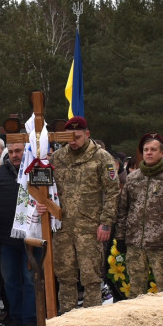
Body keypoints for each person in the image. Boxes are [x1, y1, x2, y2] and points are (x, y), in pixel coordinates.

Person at [43, 117, 120, 310]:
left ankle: (91, 321)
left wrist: (106, 222)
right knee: (65, 276)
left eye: (77, 137)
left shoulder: (102, 157)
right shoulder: (57, 158)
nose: (73, 142)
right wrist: (42, 203)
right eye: (69, 138)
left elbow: (112, 191)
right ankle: (67, 319)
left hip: (90, 228)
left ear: (87, 134)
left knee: (91, 277)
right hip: (63, 227)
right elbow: (45, 187)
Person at [115, 133, 163, 296]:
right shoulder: (133, 178)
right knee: (136, 291)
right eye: (146, 149)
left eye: (153, 150)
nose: (149, 153)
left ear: (162, 153)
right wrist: (120, 237)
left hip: (161, 243)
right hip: (135, 243)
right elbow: (123, 209)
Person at [0, 139, 37, 326]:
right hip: (6, 237)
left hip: (30, 237)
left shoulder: (35, 170)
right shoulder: (1, 172)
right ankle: (15, 317)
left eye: (19, 151)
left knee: (29, 279)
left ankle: (30, 319)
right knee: (10, 280)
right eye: (12, 151)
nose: (15, 154)